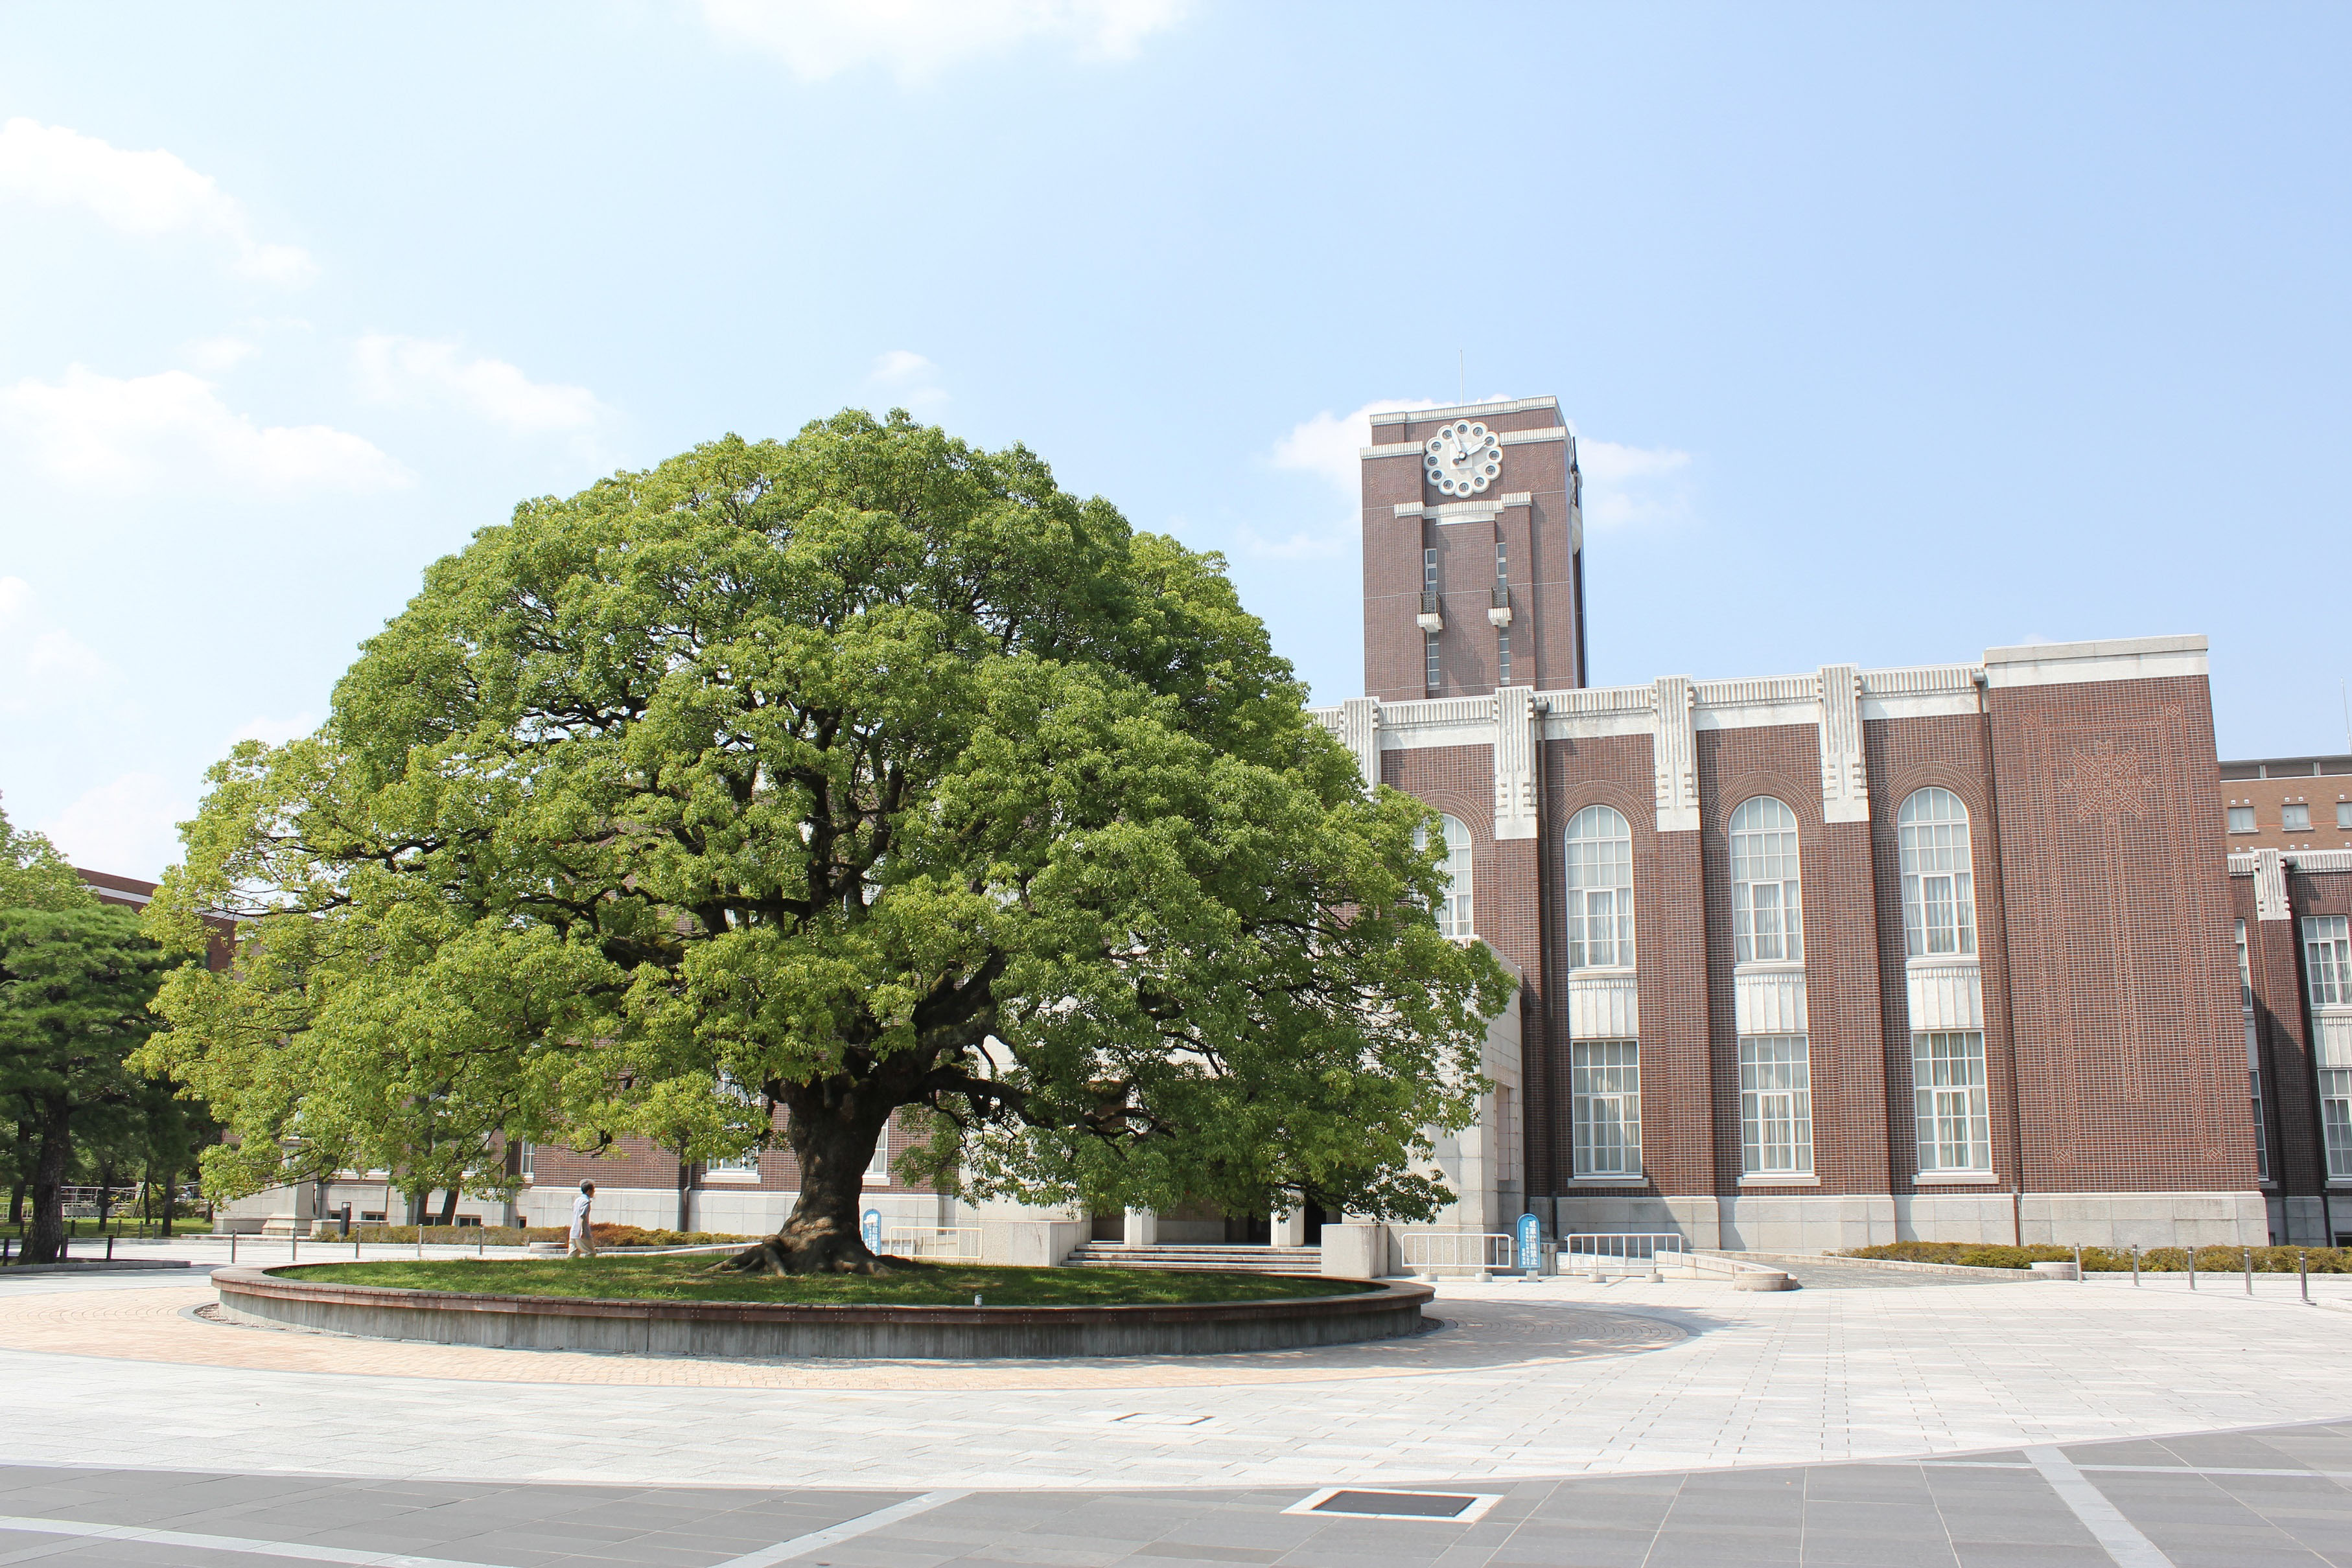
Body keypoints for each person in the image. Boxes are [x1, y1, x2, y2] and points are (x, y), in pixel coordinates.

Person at [568, 1181, 597, 1258]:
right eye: (593, 1190)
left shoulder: (577, 1200)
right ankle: (588, 1268)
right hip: (581, 1232)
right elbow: (582, 1216)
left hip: (573, 1231)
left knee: (573, 1253)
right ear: (589, 1191)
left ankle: (569, 1267)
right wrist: (582, 1231)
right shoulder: (586, 1202)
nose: (594, 1192)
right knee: (591, 1253)